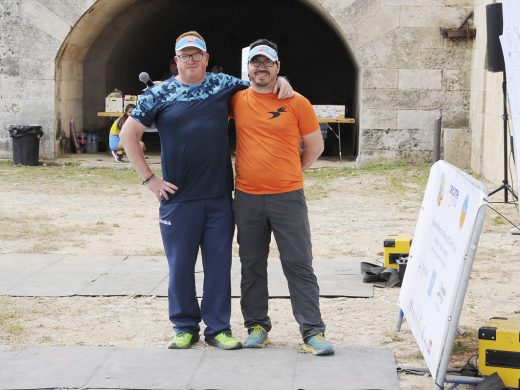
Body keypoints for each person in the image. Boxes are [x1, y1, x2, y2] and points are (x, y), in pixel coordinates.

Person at [120, 31, 293, 351]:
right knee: (180, 266)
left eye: (196, 54)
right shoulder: (158, 94)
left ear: (206, 58)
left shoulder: (222, 85)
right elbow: (128, 136)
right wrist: (149, 180)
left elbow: (261, 86)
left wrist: (284, 82)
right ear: (176, 60)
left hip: (218, 197)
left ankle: (218, 328)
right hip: (177, 198)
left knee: (218, 265)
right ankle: (184, 326)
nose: (191, 59)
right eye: (184, 55)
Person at [230, 39, 334, 356]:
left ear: (278, 67)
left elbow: (315, 146)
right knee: (251, 265)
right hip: (247, 197)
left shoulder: (297, 102)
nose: (261, 67)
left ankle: (312, 332)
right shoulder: (234, 99)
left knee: (299, 264)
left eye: (268, 62)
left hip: (288, 197)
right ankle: (256, 326)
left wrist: (292, 171)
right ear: (247, 67)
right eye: (255, 62)